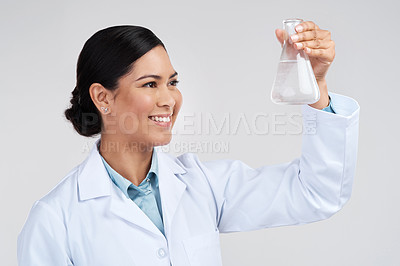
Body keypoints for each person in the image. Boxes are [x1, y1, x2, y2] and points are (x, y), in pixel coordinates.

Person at [17, 22, 360, 266]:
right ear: (103, 98)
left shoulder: (202, 185)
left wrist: (315, 88)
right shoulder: (55, 218)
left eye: (172, 82)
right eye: (150, 84)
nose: (169, 99)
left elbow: (316, 192)